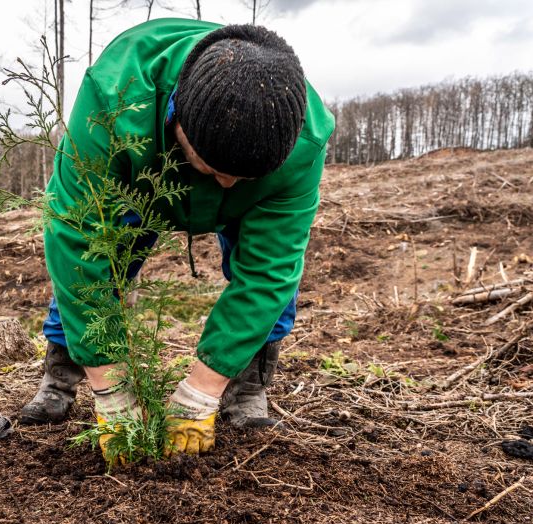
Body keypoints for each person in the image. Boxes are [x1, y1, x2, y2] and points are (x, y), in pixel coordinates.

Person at [19, 18, 335, 456]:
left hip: (253, 199)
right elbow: (75, 240)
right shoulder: (116, 96)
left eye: (241, 177)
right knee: (99, 255)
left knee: (277, 280)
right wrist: (111, 387)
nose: (226, 184)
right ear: (178, 118)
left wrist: (201, 389)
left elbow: (269, 272)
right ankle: (62, 372)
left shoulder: (304, 139)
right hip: (142, 177)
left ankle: (244, 385)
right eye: (213, 167)